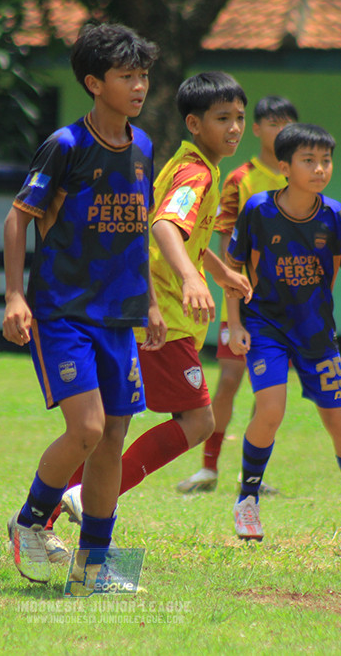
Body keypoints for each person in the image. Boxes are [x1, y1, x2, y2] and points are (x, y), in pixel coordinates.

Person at [2, 22, 164, 587]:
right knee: (89, 428)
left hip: (120, 317)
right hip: (63, 312)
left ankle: (94, 565)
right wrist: (16, 296)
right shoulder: (67, 145)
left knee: (113, 439)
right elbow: (17, 217)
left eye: (143, 75)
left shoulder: (143, 147)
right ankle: (28, 523)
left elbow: (135, 230)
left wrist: (149, 303)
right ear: (95, 83)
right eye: (127, 76)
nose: (139, 86)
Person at [52, 71, 253, 529]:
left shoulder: (193, 163)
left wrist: (219, 274)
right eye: (222, 118)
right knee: (198, 419)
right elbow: (163, 226)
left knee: (109, 428)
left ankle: (44, 516)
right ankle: (88, 497)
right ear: (194, 123)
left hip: (147, 311)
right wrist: (190, 280)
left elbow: (186, 236)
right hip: (162, 318)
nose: (235, 128)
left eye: (240, 117)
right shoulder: (196, 172)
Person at [225, 123, 341, 549]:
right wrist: (233, 324)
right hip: (265, 327)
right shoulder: (258, 211)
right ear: (284, 166)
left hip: (317, 334)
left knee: (340, 422)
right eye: (309, 161)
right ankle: (247, 498)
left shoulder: (336, 216)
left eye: (326, 160)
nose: (320, 169)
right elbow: (233, 268)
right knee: (270, 410)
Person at [177, 95, 298, 495]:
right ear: (259, 129)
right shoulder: (239, 178)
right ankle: (208, 468)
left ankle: (253, 476)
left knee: (269, 390)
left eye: (288, 123)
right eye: (272, 123)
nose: (280, 131)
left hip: (285, 304)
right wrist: (231, 292)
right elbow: (227, 243)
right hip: (243, 299)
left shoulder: (299, 177)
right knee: (229, 378)